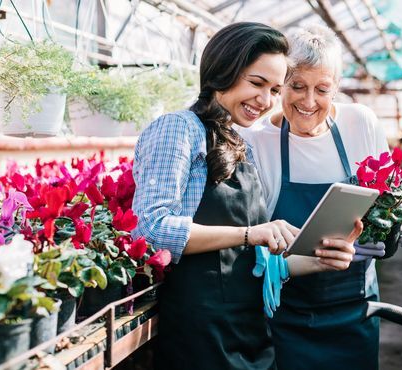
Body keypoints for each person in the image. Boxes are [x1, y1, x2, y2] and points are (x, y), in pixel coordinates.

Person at [131, 22, 359, 370]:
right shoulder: (178, 128)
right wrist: (250, 234)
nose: (265, 101)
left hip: (249, 331)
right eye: (256, 83)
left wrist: (322, 259)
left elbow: (252, 263)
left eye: (274, 89)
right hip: (202, 335)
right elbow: (151, 229)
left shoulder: (239, 144)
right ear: (224, 70)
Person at [240, 25, 402, 370]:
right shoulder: (257, 141)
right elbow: (251, 241)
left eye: (322, 89)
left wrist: (401, 227)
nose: (308, 102)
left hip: (355, 308)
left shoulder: (361, 123)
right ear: (281, 84)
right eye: (297, 87)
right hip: (287, 314)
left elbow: (392, 199)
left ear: (336, 88)